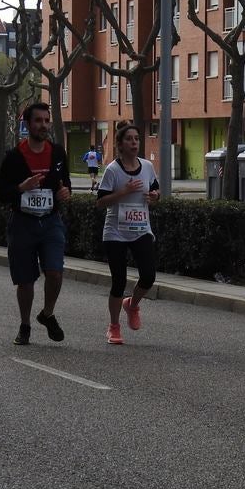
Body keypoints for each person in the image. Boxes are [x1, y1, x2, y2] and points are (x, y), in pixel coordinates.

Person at [0, 102, 72, 345]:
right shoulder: (14, 156)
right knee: (25, 280)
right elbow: (1, 193)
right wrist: (21, 187)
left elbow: (65, 183)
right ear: (27, 124)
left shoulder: (58, 153)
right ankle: (25, 325)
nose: (43, 125)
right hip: (23, 223)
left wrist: (64, 193)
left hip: (51, 221)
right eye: (38, 121)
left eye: (46, 120)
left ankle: (47, 313)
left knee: (55, 272)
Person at [95, 121, 160, 344]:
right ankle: (114, 326)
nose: (134, 142)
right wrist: (123, 192)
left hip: (141, 229)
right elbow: (100, 202)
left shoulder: (147, 167)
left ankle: (131, 305)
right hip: (116, 232)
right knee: (119, 280)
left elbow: (155, 191)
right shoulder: (113, 170)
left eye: (136, 139)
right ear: (120, 145)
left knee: (149, 275)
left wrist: (154, 197)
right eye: (129, 139)